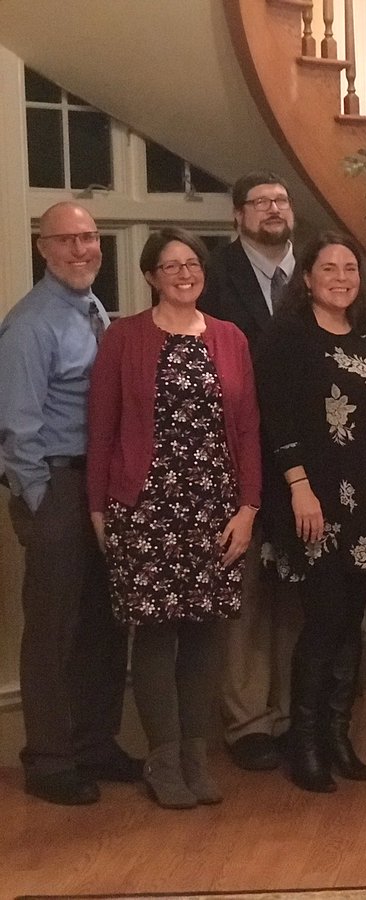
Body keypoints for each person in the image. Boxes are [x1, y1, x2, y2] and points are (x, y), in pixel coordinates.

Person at [87, 228, 261, 808]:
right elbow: (103, 430)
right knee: (158, 634)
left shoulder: (231, 338)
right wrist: (96, 508)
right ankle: (163, 762)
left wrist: (249, 508)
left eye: (192, 264)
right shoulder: (124, 338)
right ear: (151, 276)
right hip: (147, 506)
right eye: (170, 266)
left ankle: (195, 755)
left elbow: (246, 429)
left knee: (206, 634)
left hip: (216, 505)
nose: (184, 273)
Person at [0, 202, 140, 805]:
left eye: (90, 237)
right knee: (55, 629)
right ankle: (50, 758)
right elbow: (16, 427)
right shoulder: (31, 324)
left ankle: (94, 743)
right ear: (44, 248)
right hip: (56, 487)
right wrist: (40, 502)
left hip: (100, 486)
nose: (83, 249)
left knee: (105, 623)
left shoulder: (91, 309)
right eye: (69, 240)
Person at [255, 232, 366, 793]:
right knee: (324, 622)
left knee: (350, 624)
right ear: (308, 278)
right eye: (329, 268)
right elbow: (278, 419)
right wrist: (299, 488)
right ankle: (305, 742)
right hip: (315, 502)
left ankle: (339, 736)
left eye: (350, 267)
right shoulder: (287, 337)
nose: (342, 277)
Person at [198, 172, 303, 772]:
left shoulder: (317, 274)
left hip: (306, 463)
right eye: (260, 203)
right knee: (243, 597)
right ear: (238, 216)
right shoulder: (211, 275)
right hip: (235, 458)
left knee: (297, 594)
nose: (272, 209)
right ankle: (248, 724)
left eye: (281, 200)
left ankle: (291, 713)